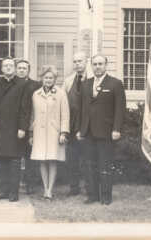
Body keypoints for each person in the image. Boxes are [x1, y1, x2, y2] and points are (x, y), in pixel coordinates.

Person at [76, 54, 126, 205]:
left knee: (105, 164)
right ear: (91, 66)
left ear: (106, 65)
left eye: (100, 64)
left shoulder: (115, 84)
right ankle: (92, 196)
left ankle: (105, 196)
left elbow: (120, 109)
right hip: (88, 131)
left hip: (106, 131)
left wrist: (116, 129)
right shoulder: (85, 84)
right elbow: (81, 109)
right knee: (89, 164)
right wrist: (79, 129)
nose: (97, 67)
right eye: (95, 64)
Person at [29, 65, 70, 200]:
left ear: (55, 79)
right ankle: (44, 187)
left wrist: (63, 132)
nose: (48, 80)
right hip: (39, 132)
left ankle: (49, 189)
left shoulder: (60, 93)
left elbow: (65, 114)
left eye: (51, 77)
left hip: (54, 132)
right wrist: (31, 133)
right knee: (42, 160)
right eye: (46, 77)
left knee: (52, 160)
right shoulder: (36, 94)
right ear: (42, 78)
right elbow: (32, 115)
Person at [0, 57, 28, 202]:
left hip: (15, 128)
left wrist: (22, 127)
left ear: (15, 68)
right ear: (1, 69)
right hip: (0, 127)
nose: (8, 67)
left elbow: (26, 108)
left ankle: (14, 192)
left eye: (10, 65)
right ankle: (2, 191)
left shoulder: (22, 84)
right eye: (5, 65)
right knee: (2, 159)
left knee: (15, 160)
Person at [16, 59, 42, 195]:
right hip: (15, 126)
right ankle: (15, 183)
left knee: (30, 156)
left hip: (30, 125)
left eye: (24, 68)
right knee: (15, 156)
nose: (21, 70)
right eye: (19, 68)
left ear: (28, 70)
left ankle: (30, 184)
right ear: (16, 69)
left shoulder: (36, 85)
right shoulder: (12, 84)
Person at [63, 51, 88, 196]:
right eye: (75, 62)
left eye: (80, 61)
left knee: (88, 158)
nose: (77, 64)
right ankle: (74, 187)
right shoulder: (68, 81)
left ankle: (89, 187)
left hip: (88, 125)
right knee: (72, 158)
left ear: (86, 62)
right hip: (72, 124)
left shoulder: (92, 79)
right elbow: (64, 104)